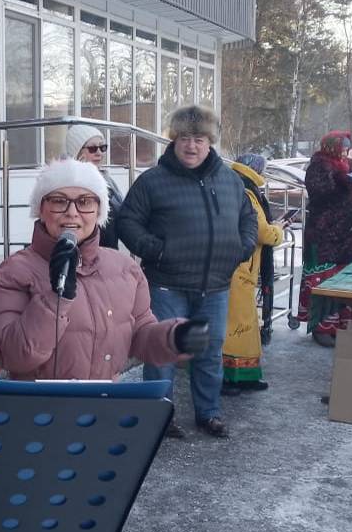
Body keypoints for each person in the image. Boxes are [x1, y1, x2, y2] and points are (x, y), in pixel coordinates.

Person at [0, 159, 208, 532]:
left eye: (85, 201)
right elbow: (17, 355)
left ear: (100, 211)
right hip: (46, 427)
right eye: (58, 201)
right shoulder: (15, 273)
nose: (71, 212)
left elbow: (139, 334)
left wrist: (173, 338)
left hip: (107, 423)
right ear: (40, 210)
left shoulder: (124, 269)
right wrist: (56, 291)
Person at [116, 105, 257, 438]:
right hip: (168, 285)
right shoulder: (153, 181)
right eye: (183, 138)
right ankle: (159, 416)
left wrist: (242, 246)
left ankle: (209, 413)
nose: (191, 146)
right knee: (162, 352)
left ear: (210, 142)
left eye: (198, 139)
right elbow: (127, 221)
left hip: (216, 286)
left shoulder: (229, 179)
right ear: (173, 140)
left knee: (210, 352)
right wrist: (158, 250)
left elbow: (247, 217)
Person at [222, 154, 288, 394]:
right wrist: (278, 230)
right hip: (240, 266)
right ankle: (228, 376)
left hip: (239, 266)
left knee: (244, 322)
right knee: (237, 323)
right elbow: (262, 232)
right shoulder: (248, 192)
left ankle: (244, 374)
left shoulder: (236, 184)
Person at [293, 131, 352, 348]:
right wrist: (346, 182)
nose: (346, 151)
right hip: (323, 235)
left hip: (343, 234)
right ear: (332, 146)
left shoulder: (343, 165)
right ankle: (321, 326)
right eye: (343, 146)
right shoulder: (319, 165)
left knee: (342, 280)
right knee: (323, 279)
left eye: (347, 147)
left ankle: (341, 326)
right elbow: (321, 193)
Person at [64, 124, 125, 248]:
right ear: (78, 152)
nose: (99, 153)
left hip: (108, 249)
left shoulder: (107, 179)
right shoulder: (72, 183)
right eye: (92, 148)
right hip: (86, 253)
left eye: (103, 147)